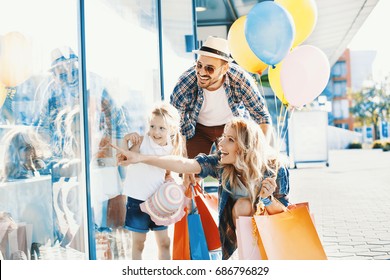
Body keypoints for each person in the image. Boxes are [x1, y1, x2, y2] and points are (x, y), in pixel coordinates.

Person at [112, 117, 290, 260]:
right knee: (242, 205)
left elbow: (283, 214)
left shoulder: (274, 169)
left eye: (230, 140)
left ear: (246, 146)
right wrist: (140, 157)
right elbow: (183, 164)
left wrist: (267, 199)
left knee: (245, 204)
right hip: (237, 239)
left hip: (269, 240)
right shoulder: (222, 163)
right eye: (223, 137)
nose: (221, 143)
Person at [170, 36, 272, 160]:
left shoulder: (240, 79)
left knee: (236, 170)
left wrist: (261, 153)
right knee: (191, 171)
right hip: (198, 129)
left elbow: (262, 116)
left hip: (231, 129)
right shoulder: (185, 82)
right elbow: (174, 124)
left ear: (224, 69)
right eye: (199, 65)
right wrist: (184, 163)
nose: (201, 72)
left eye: (209, 68)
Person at [121, 102, 186, 260]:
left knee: (164, 242)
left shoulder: (173, 147)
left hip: (159, 202)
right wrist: (126, 140)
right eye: (152, 126)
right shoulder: (142, 142)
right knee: (139, 243)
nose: (155, 132)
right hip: (137, 200)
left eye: (161, 128)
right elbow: (124, 159)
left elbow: (172, 172)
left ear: (171, 129)